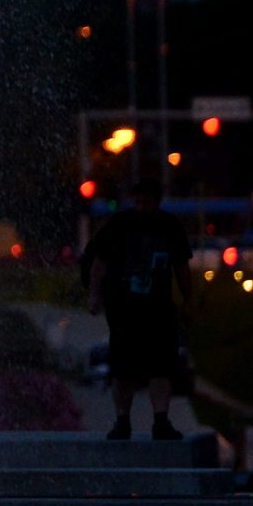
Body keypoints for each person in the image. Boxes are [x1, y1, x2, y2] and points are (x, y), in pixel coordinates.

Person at [81, 176, 193, 440]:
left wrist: (188, 299)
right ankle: (122, 420)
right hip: (124, 308)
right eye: (138, 201)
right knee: (122, 368)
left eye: (148, 202)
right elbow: (100, 263)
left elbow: (181, 267)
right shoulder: (119, 225)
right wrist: (94, 296)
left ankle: (161, 420)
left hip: (159, 308)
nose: (142, 207)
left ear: (157, 202)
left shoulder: (170, 226)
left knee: (161, 367)